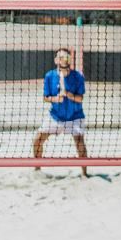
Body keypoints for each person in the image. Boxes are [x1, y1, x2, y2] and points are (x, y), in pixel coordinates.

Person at [33, 48, 88, 177]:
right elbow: (45, 97)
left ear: (69, 59)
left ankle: (85, 174)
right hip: (56, 116)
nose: (63, 58)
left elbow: (80, 98)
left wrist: (68, 95)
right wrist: (55, 99)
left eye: (66, 56)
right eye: (60, 56)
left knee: (80, 142)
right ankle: (37, 169)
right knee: (38, 140)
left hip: (75, 116)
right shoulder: (50, 76)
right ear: (56, 60)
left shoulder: (78, 76)